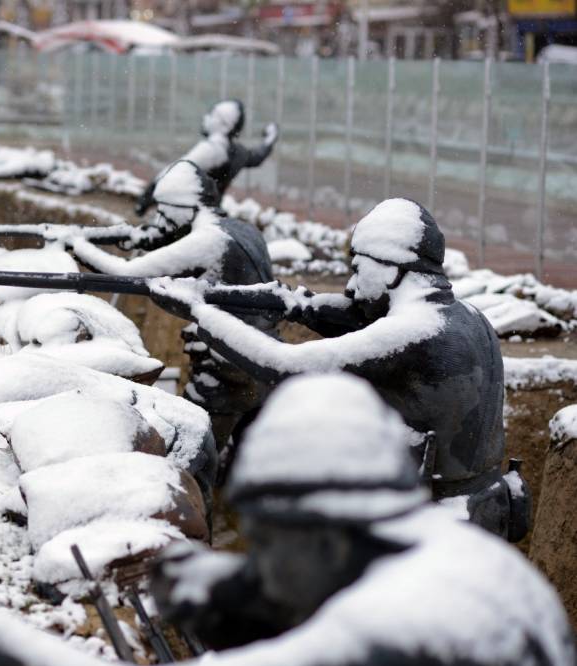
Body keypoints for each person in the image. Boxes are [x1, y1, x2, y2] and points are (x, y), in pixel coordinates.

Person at [0, 373, 577, 666]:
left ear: (318, 524)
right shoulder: (445, 552)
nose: (260, 560)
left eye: (266, 539)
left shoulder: (393, 628)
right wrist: (215, 590)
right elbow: (299, 588)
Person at [148, 197, 526, 540]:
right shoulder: (466, 317)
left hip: (433, 528)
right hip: (483, 509)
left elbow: (283, 366)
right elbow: (356, 317)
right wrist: (294, 304)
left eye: (359, 271)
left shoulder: (415, 332)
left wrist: (199, 313)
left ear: (393, 271)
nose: (350, 285)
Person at [65, 160, 275, 493]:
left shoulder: (209, 241)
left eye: (165, 212)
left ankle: (195, 533)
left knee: (192, 467)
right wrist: (145, 237)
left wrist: (76, 244)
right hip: (262, 363)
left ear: (187, 208)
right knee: (246, 467)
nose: (160, 221)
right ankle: (234, 532)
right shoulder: (242, 230)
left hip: (225, 374)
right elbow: (178, 252)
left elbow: (126, 275)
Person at [136, 100, 278, 216]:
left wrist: (145, 200)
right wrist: (270, 139)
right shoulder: (237, 152)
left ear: (225, 124)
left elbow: (173, 173)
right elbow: (257, 157)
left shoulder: (212, 149)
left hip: (187, 215)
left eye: (212, 115)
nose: (206, 118)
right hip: (211, 215)